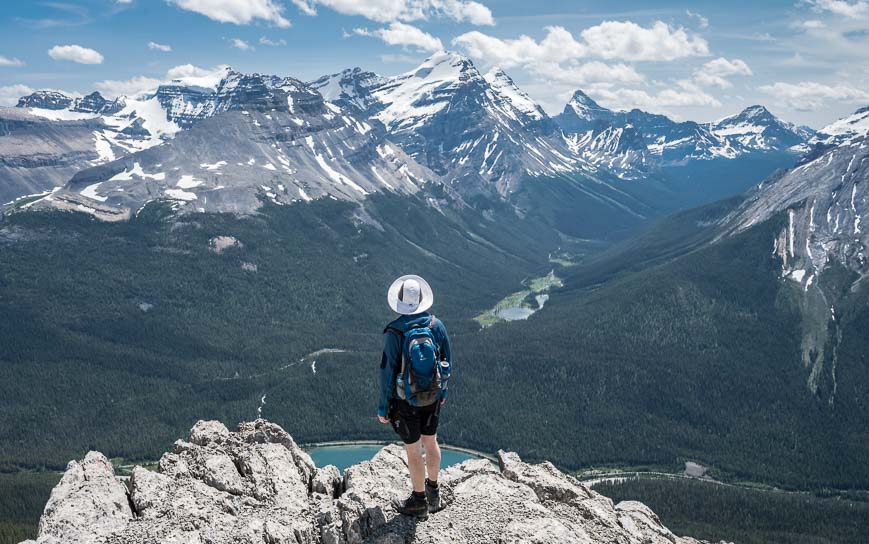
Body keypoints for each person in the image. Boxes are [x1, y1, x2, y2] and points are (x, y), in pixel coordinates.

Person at [377, 274, 451, 519]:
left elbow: (387, 372)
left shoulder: (395, 332)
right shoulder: (436, 326)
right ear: (421, 299)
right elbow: (446, 362)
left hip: (405, 401)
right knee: (431, 441)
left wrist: (382, 408)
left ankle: (418, 501)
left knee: (413, 449)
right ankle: (433, 492)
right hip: (432, 396)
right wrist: (442, 393)